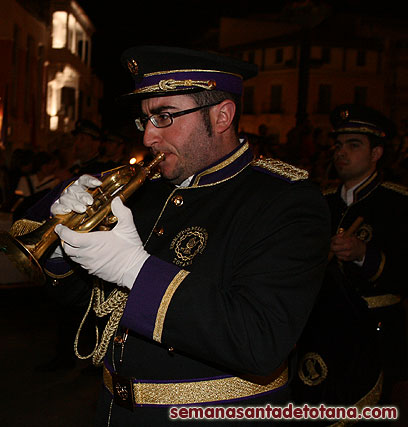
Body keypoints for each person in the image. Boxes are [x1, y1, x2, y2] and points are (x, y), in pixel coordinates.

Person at [20, 46, 331, 424]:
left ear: (221, 116)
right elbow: (97, 305)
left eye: (164, 116)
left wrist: (136, 270)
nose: (149, 137)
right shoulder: (149, 192)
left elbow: (260, 341)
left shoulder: (285, 200)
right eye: (145, 120)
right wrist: (62, 245)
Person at [294, 105, 408, 416]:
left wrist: (363, 255)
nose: (341, 152)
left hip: (376, 333)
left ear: (376, 153)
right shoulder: (320, 202)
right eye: (339, 145)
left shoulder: (398, 203)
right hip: (324, 333)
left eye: (354, 145)